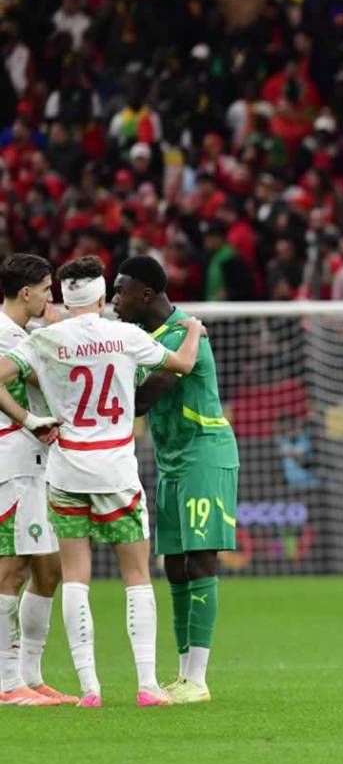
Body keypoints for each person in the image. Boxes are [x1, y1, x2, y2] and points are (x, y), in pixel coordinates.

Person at [0, 256, 204, 707]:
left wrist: (33, 419)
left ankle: (90, 688)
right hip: (115, 468)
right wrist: (192, 330)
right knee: (136, 576)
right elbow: (184, 366)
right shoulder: (126, 335)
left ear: (66, 295)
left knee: (74, 577)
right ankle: (147, 686)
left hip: (66, 467)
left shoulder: (45, 339)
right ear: (99, 294)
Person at [112, 255, 241, 705]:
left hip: (204, 452)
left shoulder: (187, 334)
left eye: (119, 291)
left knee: (200, 559)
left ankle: (198, 677)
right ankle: (183, 673)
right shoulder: (148, 337)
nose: (113, 300)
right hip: (171, 460)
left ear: (145, 294)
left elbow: (144, 400)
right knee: (174, 565)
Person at [0, 254, 75, 705]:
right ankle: (8, 683)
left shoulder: (24, 335)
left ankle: (30, 674)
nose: (52, 297)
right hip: (10, 463)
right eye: (47, 289)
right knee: (10, 569)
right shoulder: (3, 336)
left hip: (36, 463)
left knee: (49, 568)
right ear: (26, 292)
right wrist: (30, 419)